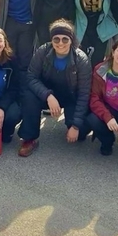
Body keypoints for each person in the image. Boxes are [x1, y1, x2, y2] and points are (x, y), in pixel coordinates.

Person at [17, 19, 92, 157]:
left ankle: (73, 124)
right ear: (51, 40)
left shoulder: (81, 59)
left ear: (71, 40)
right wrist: (48, 95)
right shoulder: (43, 51)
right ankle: (29, 138)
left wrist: (75, 126)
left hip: (70, 97)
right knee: (29, 96)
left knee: (80, 134)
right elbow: (31, 77)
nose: (60, 43)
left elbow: (84, 94)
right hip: (47, 93)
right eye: (56, 39)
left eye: (65, 39)